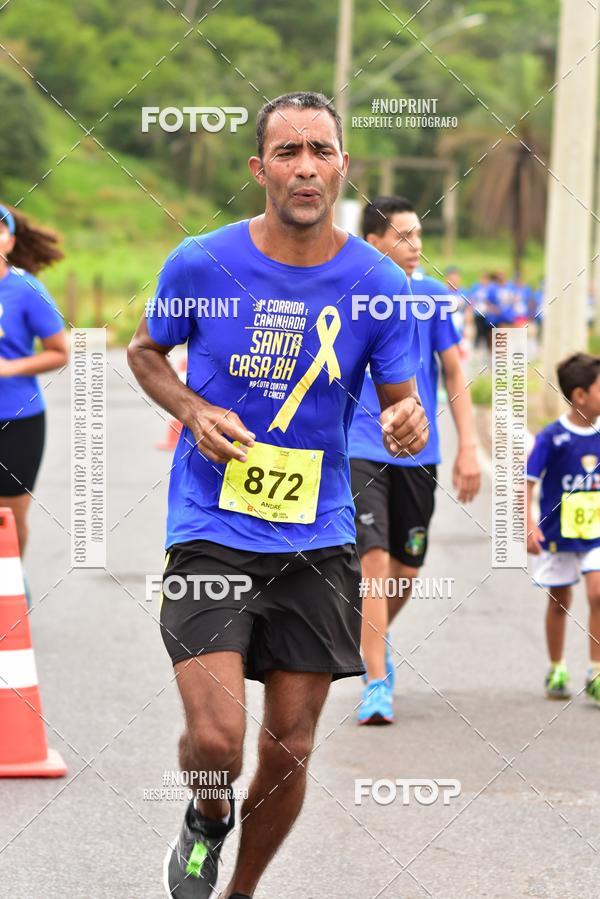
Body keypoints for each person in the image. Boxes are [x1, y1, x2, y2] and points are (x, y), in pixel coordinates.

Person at [127, 92, 428, 899]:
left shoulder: (377, 282)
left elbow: (399, 395)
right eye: (288, 152)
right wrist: (191, 407)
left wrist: (405, 418)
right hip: (212, 524)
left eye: (320, 151)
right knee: (218, 737)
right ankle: (207, 813)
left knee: (289, 744)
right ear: (260, 168)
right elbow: (147, 350)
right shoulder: (202, 261)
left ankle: (240, 890)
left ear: (342, 166)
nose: (305, 167)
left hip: (316, 536)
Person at [348, 196, 481, 725]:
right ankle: (376, 680)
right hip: (361, 446)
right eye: (404, 236)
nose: (416, 246)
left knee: (405, 567)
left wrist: (469, 445)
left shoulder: (431, 298)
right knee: (374, 561)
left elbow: (454, 372)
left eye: (419, 235)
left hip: (419, 452)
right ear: (373, 242)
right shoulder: (350, 294)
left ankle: (372, 636)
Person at [527, 352, 600, 705]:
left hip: (596, 534)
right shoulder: (552, 437)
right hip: (558, 534)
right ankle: (556, 665)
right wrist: (527, 523)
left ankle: (595, 669)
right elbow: (527, 481)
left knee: (597, 593)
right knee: (560, 601)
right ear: (581, 395)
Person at [0, 203, 67, 560]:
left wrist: (8, 369)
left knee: (8, 518)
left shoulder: (27, 289)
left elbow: (59, 351)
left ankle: (9, 586)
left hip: (17, 420)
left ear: (10, 241)